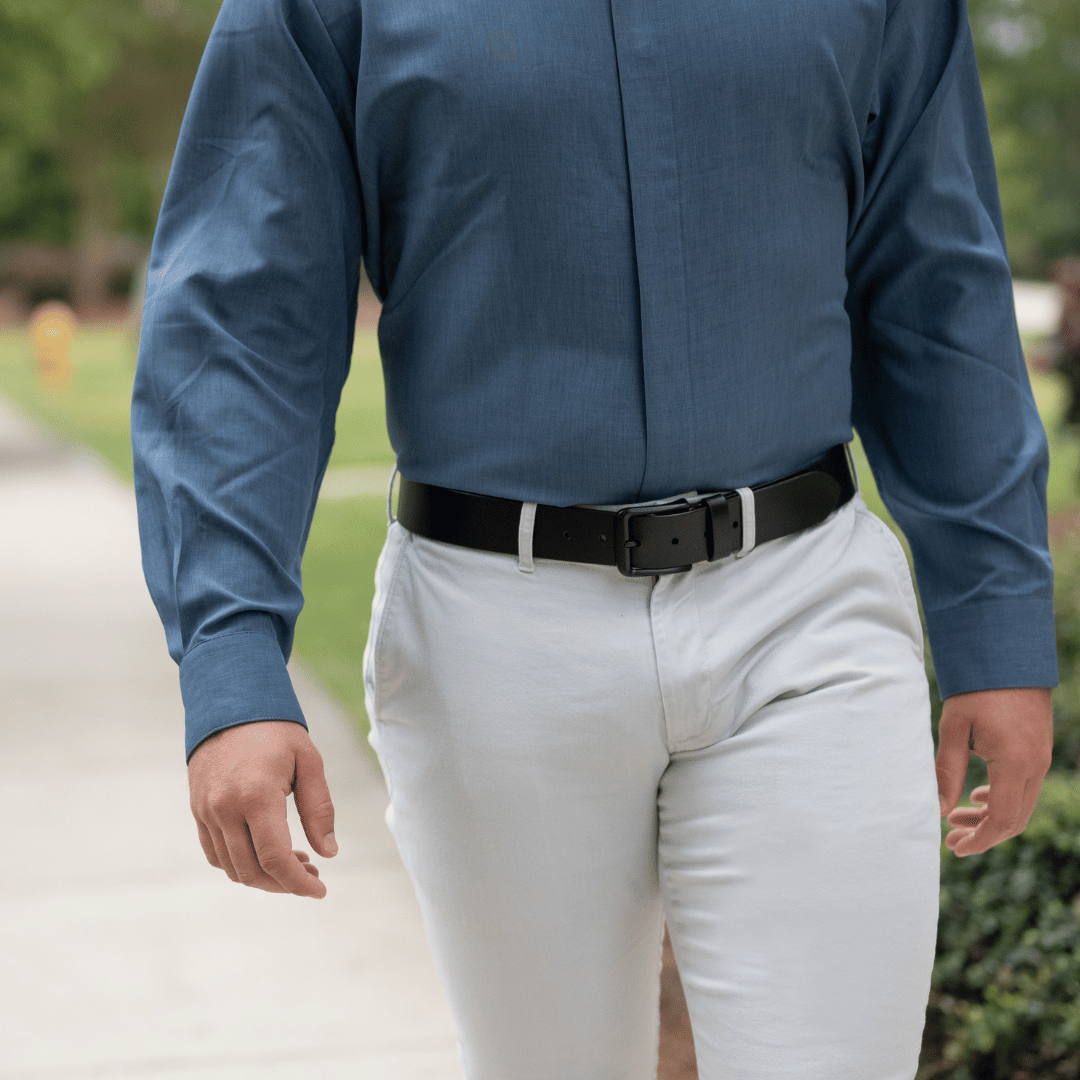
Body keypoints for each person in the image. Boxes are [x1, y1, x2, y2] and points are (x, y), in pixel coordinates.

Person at [130, 0, 1056, 1076]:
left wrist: (996, 623)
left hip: (804, 613)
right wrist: (232, 656)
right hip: (491, 639)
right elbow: (243, 315)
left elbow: (936, 284)